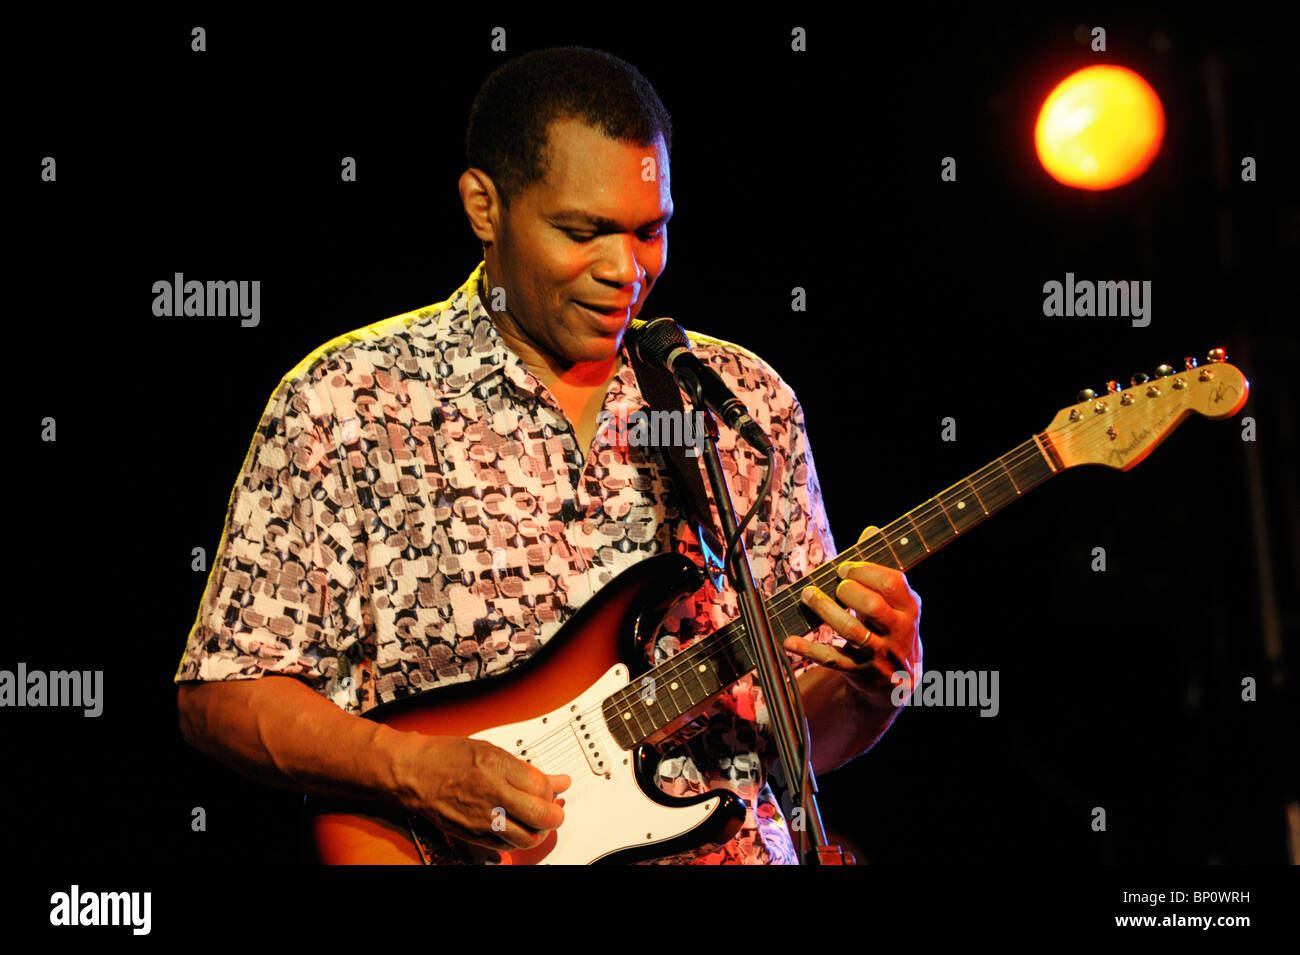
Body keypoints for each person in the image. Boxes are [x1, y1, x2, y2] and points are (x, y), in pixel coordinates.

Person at [174, 46, 922, 865]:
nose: (625, 270)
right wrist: (413, 771)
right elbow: (222, 694)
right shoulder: (347, 400)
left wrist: (872, 686)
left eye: (650, 231)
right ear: (484, 206)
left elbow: (792, 746)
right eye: (583, 231)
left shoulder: (740, 402)